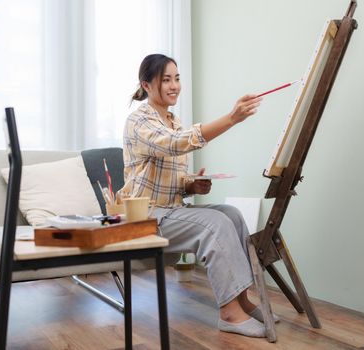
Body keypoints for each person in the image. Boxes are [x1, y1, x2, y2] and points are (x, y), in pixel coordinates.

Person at [118, 53, 278, 338]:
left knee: (231, 215)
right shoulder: (138, 121)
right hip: (145, 217)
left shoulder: (173, 120)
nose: (174, 85)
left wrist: (191, 185)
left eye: (177, 78)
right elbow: (174, 144)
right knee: (214, 225)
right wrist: (231, 119)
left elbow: (171, 177)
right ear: (146, 84)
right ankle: (229, 313)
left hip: (169, 210)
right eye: (165, 79)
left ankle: (242, 300)